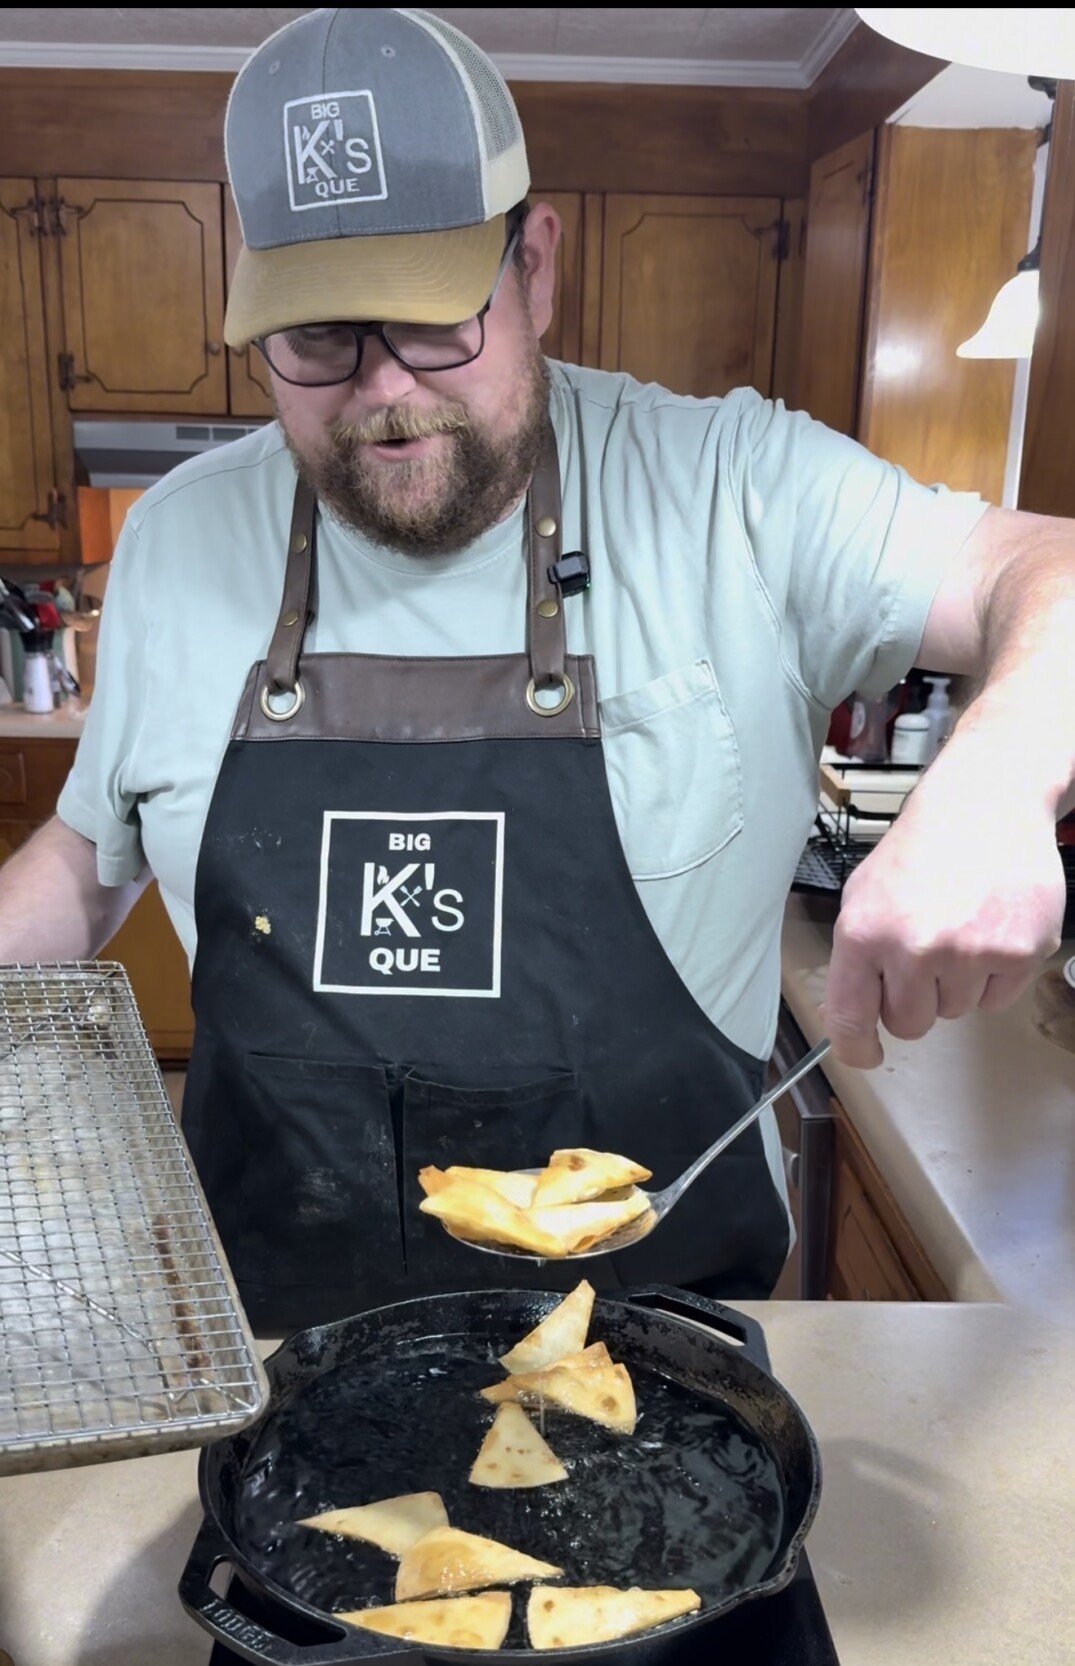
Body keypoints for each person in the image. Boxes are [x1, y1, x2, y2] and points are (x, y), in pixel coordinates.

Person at [1, 7, 1071, 1335]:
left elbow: (1054, 574)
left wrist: (995, 784)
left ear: (538, 268)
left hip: (661, 1373)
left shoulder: (729, 488)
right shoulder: (174, 542)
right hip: (269, 1360)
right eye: (318, 337)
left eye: (434, 316)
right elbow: (88, 855)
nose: (384, 391)